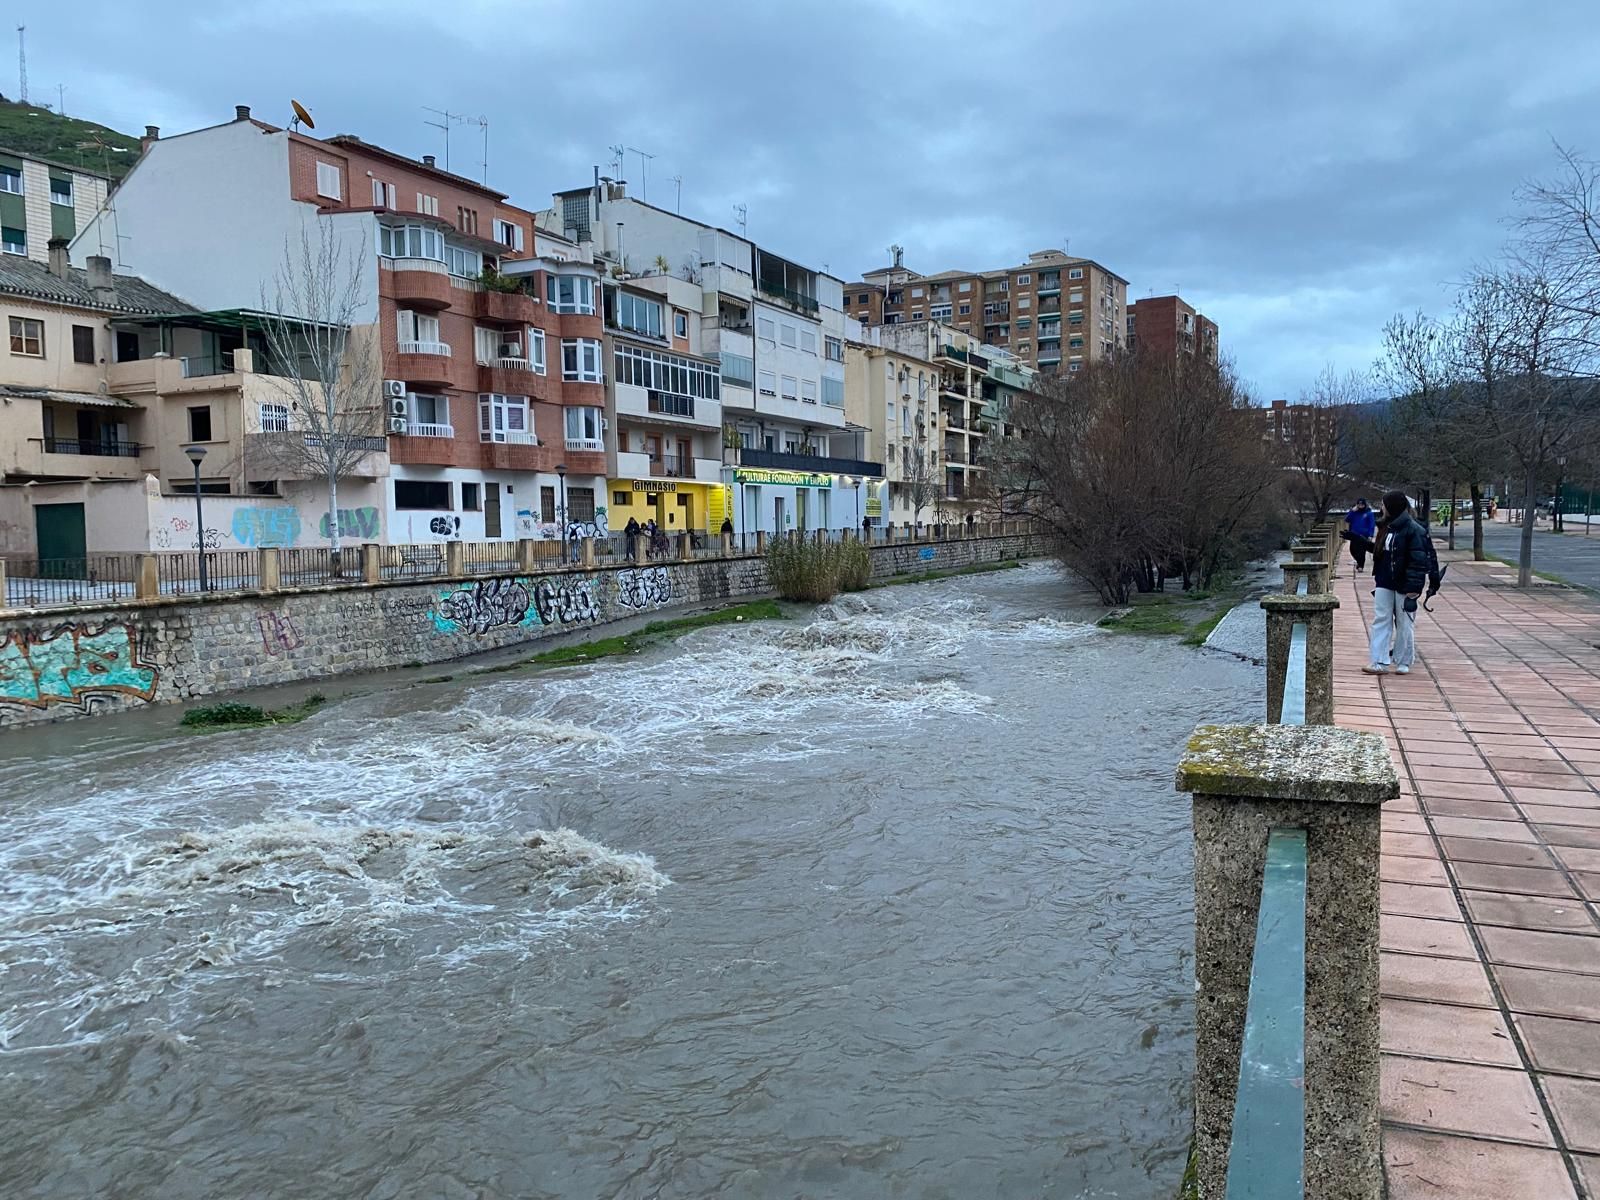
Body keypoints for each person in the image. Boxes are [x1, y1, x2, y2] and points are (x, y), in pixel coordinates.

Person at [1365, 491, 1431, 677]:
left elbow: (1418, 561)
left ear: (1392, 506)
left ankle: (1403, 661)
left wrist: (1414, 588)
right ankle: (1378, 661)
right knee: (1381, 619)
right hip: (1384, 579)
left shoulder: (1413, 529)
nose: (1381, 508)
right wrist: (1362, 543)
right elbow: (1383, 552)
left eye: (1384, 504)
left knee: (1404, 622)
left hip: (1404, 583)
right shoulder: (1386, 527)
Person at [1343, 498, 1377, 573]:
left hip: (1363, 535)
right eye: (1359, 504)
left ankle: (1361, 565)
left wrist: (1370, 535)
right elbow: (1347, 519)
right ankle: (1358, 562)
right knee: (1352, 550)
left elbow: (1372, 524)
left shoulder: (1369, 513)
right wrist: (1352, 511)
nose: (1360, 506)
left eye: (1362, 504)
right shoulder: (1355, 512)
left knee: (1361, 551)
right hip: (1354, 534)